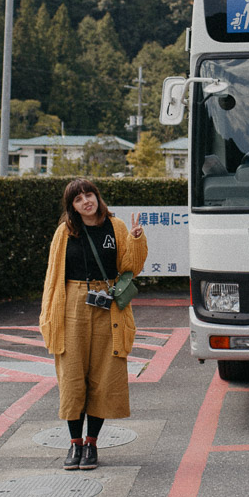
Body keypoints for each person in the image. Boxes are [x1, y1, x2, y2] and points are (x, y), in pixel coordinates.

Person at [40, 179, 147, 471]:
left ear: (97, 197)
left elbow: (130, 268)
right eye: (78, 199)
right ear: (71, 207)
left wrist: (136, 240)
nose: (86, 201)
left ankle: (91, 443)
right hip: (72, 303)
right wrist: (48, 316)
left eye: (89, 195)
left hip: (108, 305)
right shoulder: (65, 232)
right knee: (72, 376)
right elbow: (53, 277)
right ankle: (74, 444)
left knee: (104, 375)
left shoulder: (117, 227)